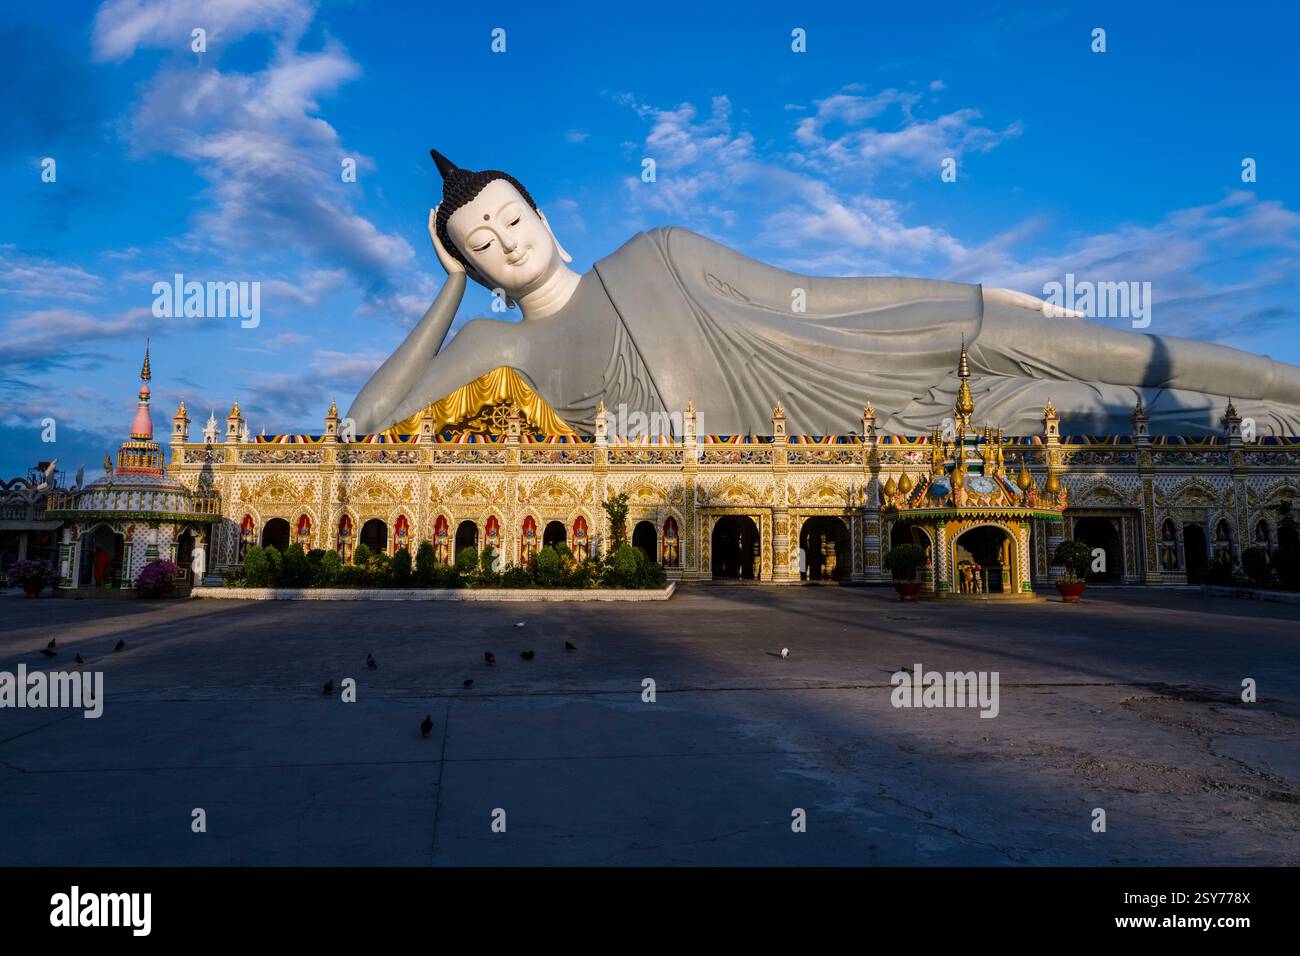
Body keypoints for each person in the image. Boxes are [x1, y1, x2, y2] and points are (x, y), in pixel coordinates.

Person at [349, 150, 1300, 438]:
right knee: (1118, 417)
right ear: (477, 269)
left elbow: (814, 293)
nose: (507, 243)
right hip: (834, 441)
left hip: (857, 352)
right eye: (482, 246)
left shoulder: (656, 253)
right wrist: (444, 291)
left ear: (545, 215)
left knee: (1092, 345)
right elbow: (361, 428)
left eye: (512, 219)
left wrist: (979, 294)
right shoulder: (498, 348)